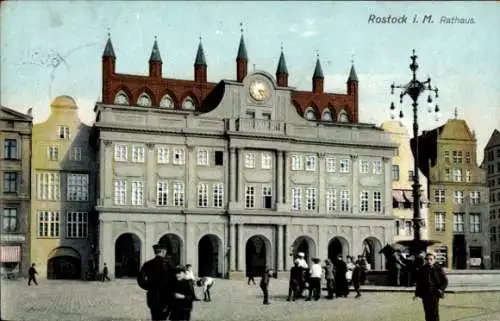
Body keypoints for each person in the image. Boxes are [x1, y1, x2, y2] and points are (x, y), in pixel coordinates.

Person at [137, 243, 174, 321]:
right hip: (166, 296)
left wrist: (149, 286)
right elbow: (174, 279)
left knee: (155, 317)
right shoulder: (168, 263)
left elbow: (140, 279)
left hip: (152, 295)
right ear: (163, 251)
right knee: (163, 317)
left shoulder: (147, 264)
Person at [414, 251, 448, 321]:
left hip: (434, 293)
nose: (429, 261)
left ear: (434, 260)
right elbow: (419, 282)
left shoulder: (438, 268)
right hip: (425, 293)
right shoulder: (423, 269)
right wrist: (417, 294)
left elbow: (445, 281)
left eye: (431, 259)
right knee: (427, 311)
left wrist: (441, 289)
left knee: (434, 312)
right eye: (427, 259)